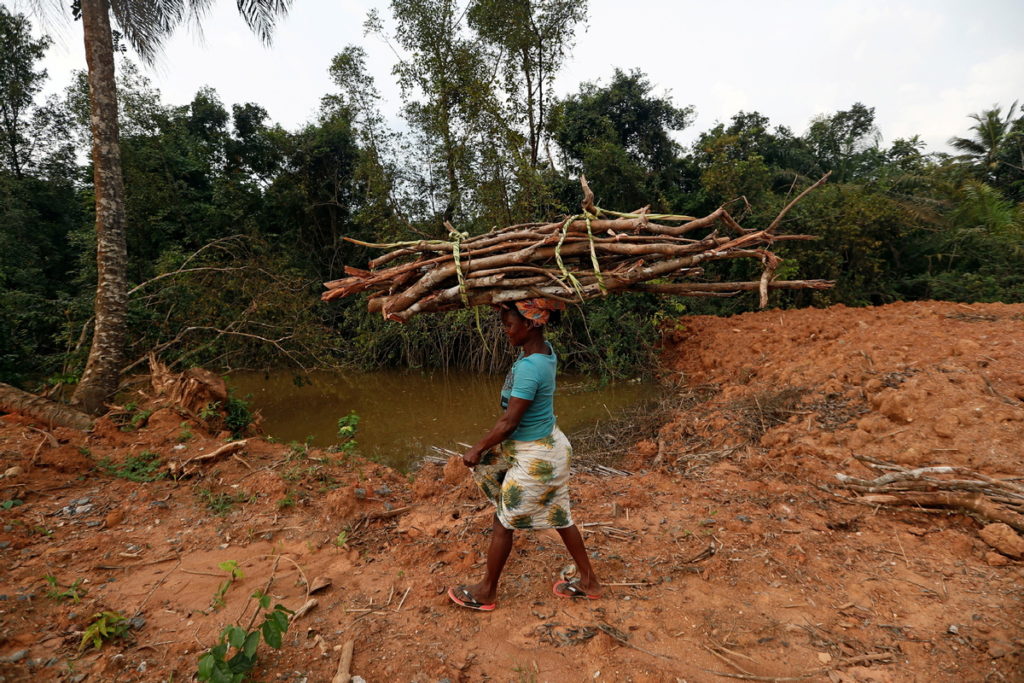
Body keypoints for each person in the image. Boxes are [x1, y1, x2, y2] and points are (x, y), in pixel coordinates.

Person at [447, 298, 602, 611]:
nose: (505, 331)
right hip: (550, 447)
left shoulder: (531, 368)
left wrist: (477, 447)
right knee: (561, 516)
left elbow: (508, 423)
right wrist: (506, 304)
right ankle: (589, 581)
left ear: (531, 324)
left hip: (538, 459)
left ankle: (487, 592)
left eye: (509, 325)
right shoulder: (541, 353)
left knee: (503, 522)